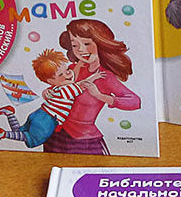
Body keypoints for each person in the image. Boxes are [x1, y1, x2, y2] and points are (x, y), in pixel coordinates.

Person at [42, 19, 141, 155]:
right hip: (55, 134)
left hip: (84, 139)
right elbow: (59, 86)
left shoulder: (105, 77)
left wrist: (99, 96)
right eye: (75, 45)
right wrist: (47, 92)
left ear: (101, 43)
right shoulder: (72, 69)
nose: (80, 50)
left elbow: (135, 101)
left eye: (87, 43)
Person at [0, 48, 102, 148]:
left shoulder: (57, 88)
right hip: (47, 120)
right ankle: (4, 134)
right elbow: (82, 84)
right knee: (31, 138)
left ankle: (10, 114)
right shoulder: (67, 89)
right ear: (51, 81)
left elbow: (73, 79)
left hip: (39, 113)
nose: (68, 74)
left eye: (67, 70)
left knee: (19, 131)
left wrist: (78, 65)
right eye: (61, 75)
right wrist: (95, 77)